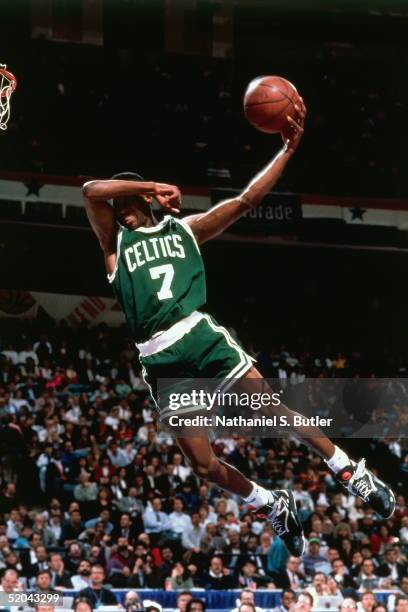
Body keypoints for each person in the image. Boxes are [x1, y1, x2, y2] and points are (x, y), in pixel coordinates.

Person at [83, 100, 395, 555]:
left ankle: (351, 470)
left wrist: (288, 149)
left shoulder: (186, 231)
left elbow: (247, 199)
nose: (122, 207)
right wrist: (151, 184)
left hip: (201, 338)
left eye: (129, 200)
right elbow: (91, 190)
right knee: (205, 466)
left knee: (270, 409)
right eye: (121, 201)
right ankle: (270, 503)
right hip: (160, 358)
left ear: (145, 203)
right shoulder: (115, 244)